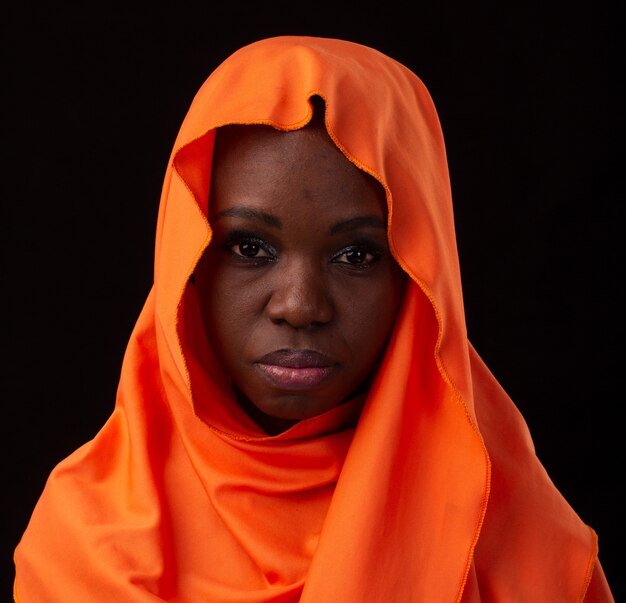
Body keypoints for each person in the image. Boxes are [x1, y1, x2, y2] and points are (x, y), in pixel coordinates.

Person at [13, 35, 614, 602]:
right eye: (250, 248)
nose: (299, 306)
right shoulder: (84, 538)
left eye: (356, 255)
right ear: (186, 264)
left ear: (420, 274)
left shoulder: (518, 537)